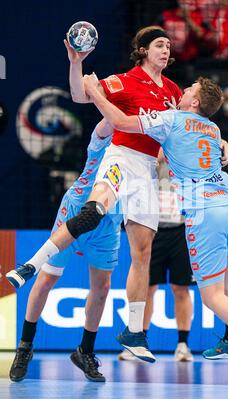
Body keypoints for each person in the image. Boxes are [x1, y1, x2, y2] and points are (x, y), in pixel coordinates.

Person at [82, 74, 228, 386]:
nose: (184, 90)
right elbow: (183, 151)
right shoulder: (214, 129)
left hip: (204, 213)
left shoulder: (172, 118)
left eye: (189, 90)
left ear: (195, 102)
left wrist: (95, 92)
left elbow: (120, 120)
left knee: (212, 296)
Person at [6, 26, 183, 364]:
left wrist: (214, 142)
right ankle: (30, 266)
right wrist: (77, 63)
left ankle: (133, 333)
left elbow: (184, 127)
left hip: (146, 170)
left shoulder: (173, 91)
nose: (166, 49)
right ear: (143, 50)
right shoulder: (125, 81)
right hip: (122, 157)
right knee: (91, 212)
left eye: (168, 44)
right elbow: (80, 95)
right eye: (159, 44)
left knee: (143, 252)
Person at [7, 120, 122, 382]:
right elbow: (107, 121)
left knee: (102, 288)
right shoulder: (107, 137)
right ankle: (24, 346)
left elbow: (170, 148)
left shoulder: (140, 148)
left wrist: (219, 142)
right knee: (47, 278)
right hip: (76, 212)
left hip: (109, 221)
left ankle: (85, 352)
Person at [119, 149, 195, 362]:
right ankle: (137, 342)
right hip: (152, 228)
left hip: (180, 230)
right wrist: (157, 156)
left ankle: (182, 345)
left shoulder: (183, 148)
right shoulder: (149, 149)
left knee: (180, 288)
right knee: (147, 288)